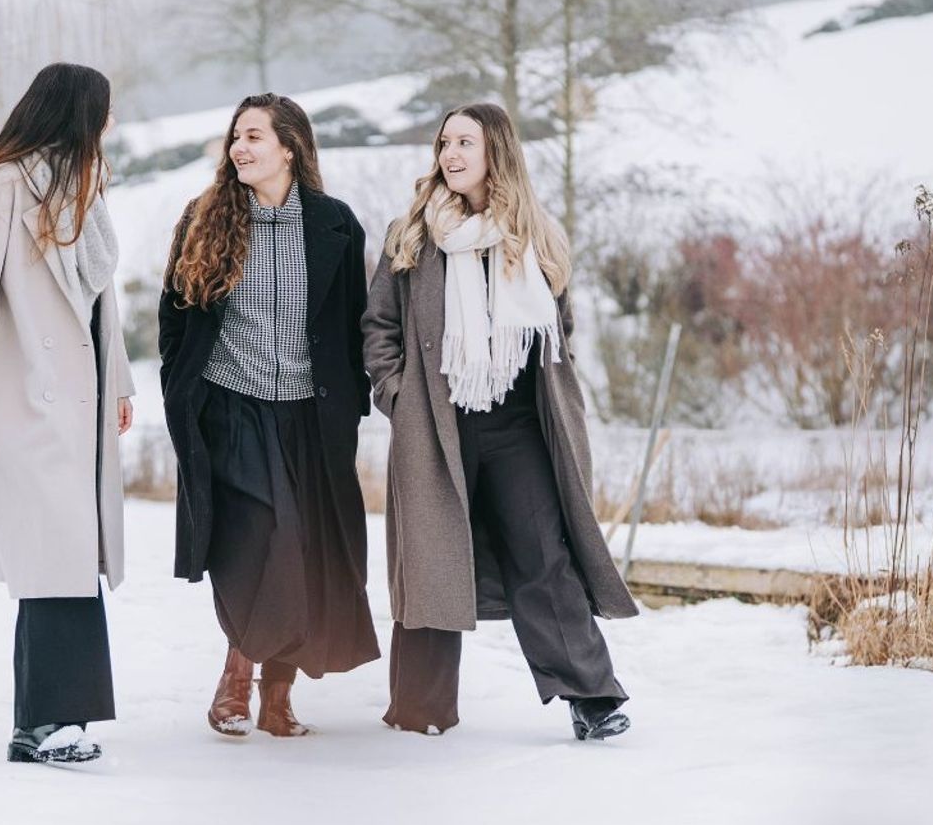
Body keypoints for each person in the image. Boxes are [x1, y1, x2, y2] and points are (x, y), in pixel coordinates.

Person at [361, 102, 640, 741]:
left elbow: (558, 327)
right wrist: (397, 395)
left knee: (544, 554)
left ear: (497, 154)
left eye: (465, 142)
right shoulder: (412, 231)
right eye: (444, 143)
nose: (450, 155)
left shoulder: (536, 235)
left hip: (517, 425)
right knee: (432, 562)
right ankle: (420, 708)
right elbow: (378, 326)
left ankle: (592, 697)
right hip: (436, 422)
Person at [0, 63, 134, 764]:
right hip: (22, 403)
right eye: (102, 112)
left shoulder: (85, 190)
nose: (108, 125)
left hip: (78, 403)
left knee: (64, 563)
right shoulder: (5, 188)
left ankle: (40, 723)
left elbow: (102, 301)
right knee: (57, 562)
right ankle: (49, 724)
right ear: (76, 113)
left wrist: (122, 383)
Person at [157, 93, 379, 738]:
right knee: (261, 543)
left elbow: (350, 325)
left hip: (311, 416)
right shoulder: (203, 218)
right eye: (235, 137)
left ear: (291, 147)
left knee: (305, 550)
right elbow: (175, 321)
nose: (240, 148)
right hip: (232, 408)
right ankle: (236, 675)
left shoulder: (336, 222)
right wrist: (182, 392)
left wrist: (353, 403)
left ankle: (278, 696)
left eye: (254, 136)